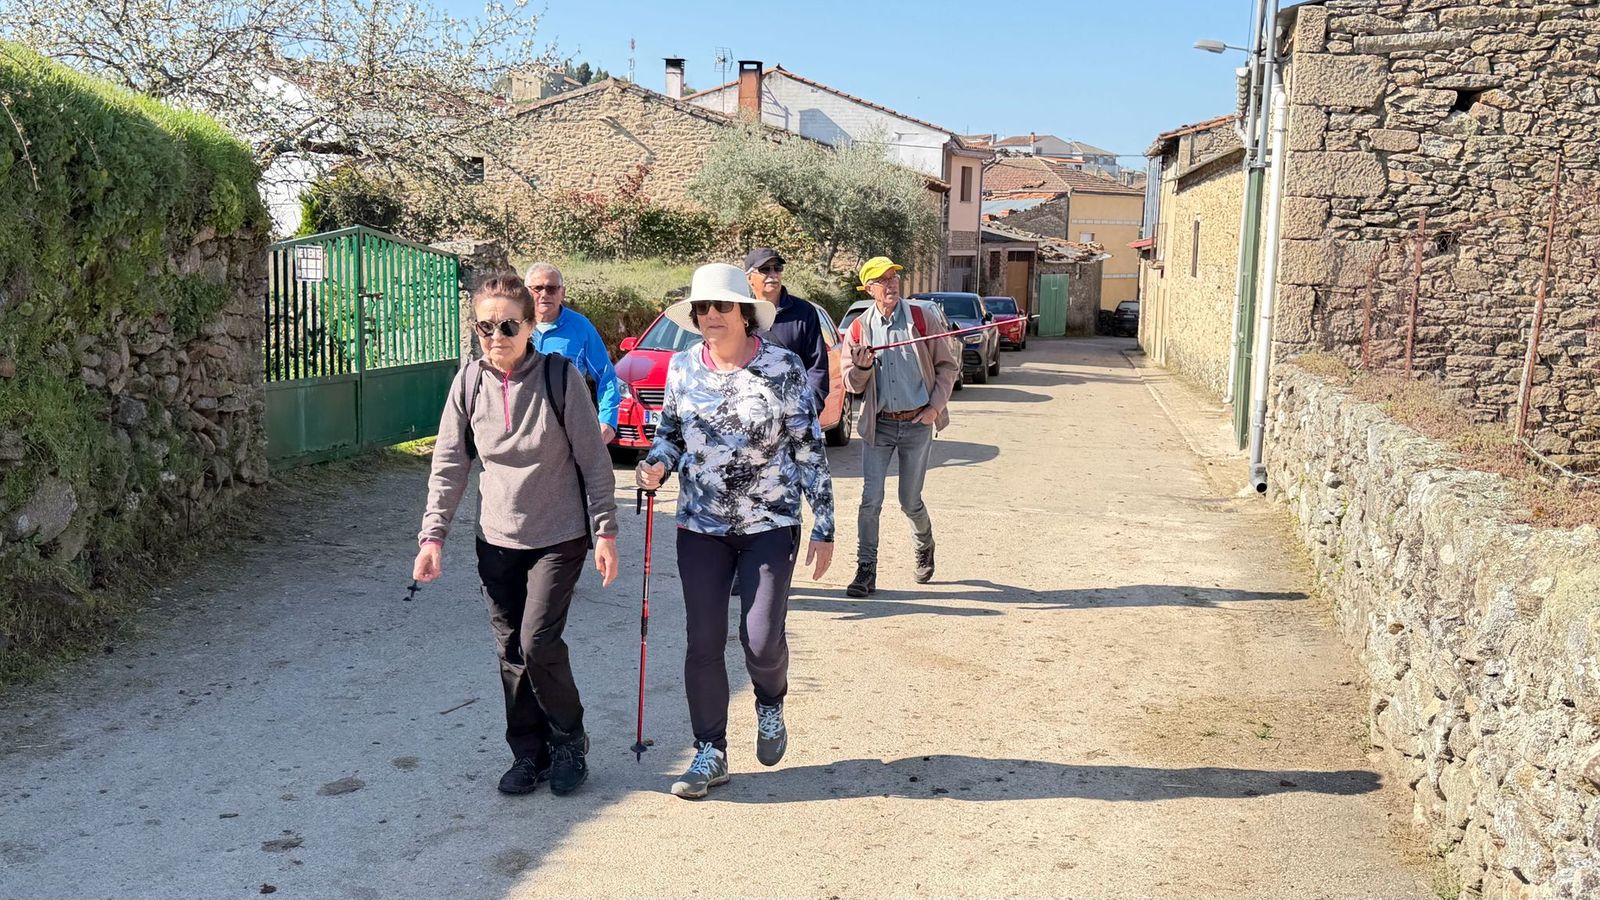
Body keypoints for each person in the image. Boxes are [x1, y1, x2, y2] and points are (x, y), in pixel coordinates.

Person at [413, 273, 620, 798]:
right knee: (509, 650)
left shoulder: (559, 376)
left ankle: (569, 738)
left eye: (508, 324)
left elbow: (594, 461)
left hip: (559, 535)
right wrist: (432, 537)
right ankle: (529, 753)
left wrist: (605, 531)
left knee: (537, 641)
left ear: (531, 326)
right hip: (496, 538)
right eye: (485, 326)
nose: (496, 335)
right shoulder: (468, 383)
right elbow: (449, 463)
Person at [635, 262, 835, 800]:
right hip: (700, 526)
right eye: (702, 309)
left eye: (721, 307)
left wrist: (825, 526)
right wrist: (655, 464)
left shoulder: (784, 367)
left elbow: (808, 449)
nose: (710, 317)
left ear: (744, 314)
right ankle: (710, 752)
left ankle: (770, 702)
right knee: (703, 641)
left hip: (770, 522)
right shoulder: (681, 368)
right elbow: (670, 435)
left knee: (762, 640)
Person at [839, 256, 959, 598]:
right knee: (870, 501)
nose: (891, 284)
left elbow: (947, 367)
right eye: (882, 280)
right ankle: (866, 570)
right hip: (879, 427)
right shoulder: (860, 328)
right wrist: (861, 368)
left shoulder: (922, 317)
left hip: (917, 424)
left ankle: (924, 544)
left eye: (894, 277)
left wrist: (934, 409)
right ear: (868, 288)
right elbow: (850, 384)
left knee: (909, 501)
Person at [524, 262, 623, 443]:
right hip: (524, 429)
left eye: (552, 288)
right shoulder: (515, 326)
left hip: (569, 429)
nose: (545, 294)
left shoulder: (581, 327)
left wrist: (607, 421)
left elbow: (606, 376)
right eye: (538, 288)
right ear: (527, 291)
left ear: (563, 292)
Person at [745, 247, 829, 416]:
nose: (773, 274)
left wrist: (808, 408)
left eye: (777, 268)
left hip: (796, 414)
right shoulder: (741, 313)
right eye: (765, 269)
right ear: (749, 278)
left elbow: (817, 367)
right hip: (752, 416)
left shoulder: (804, 312)